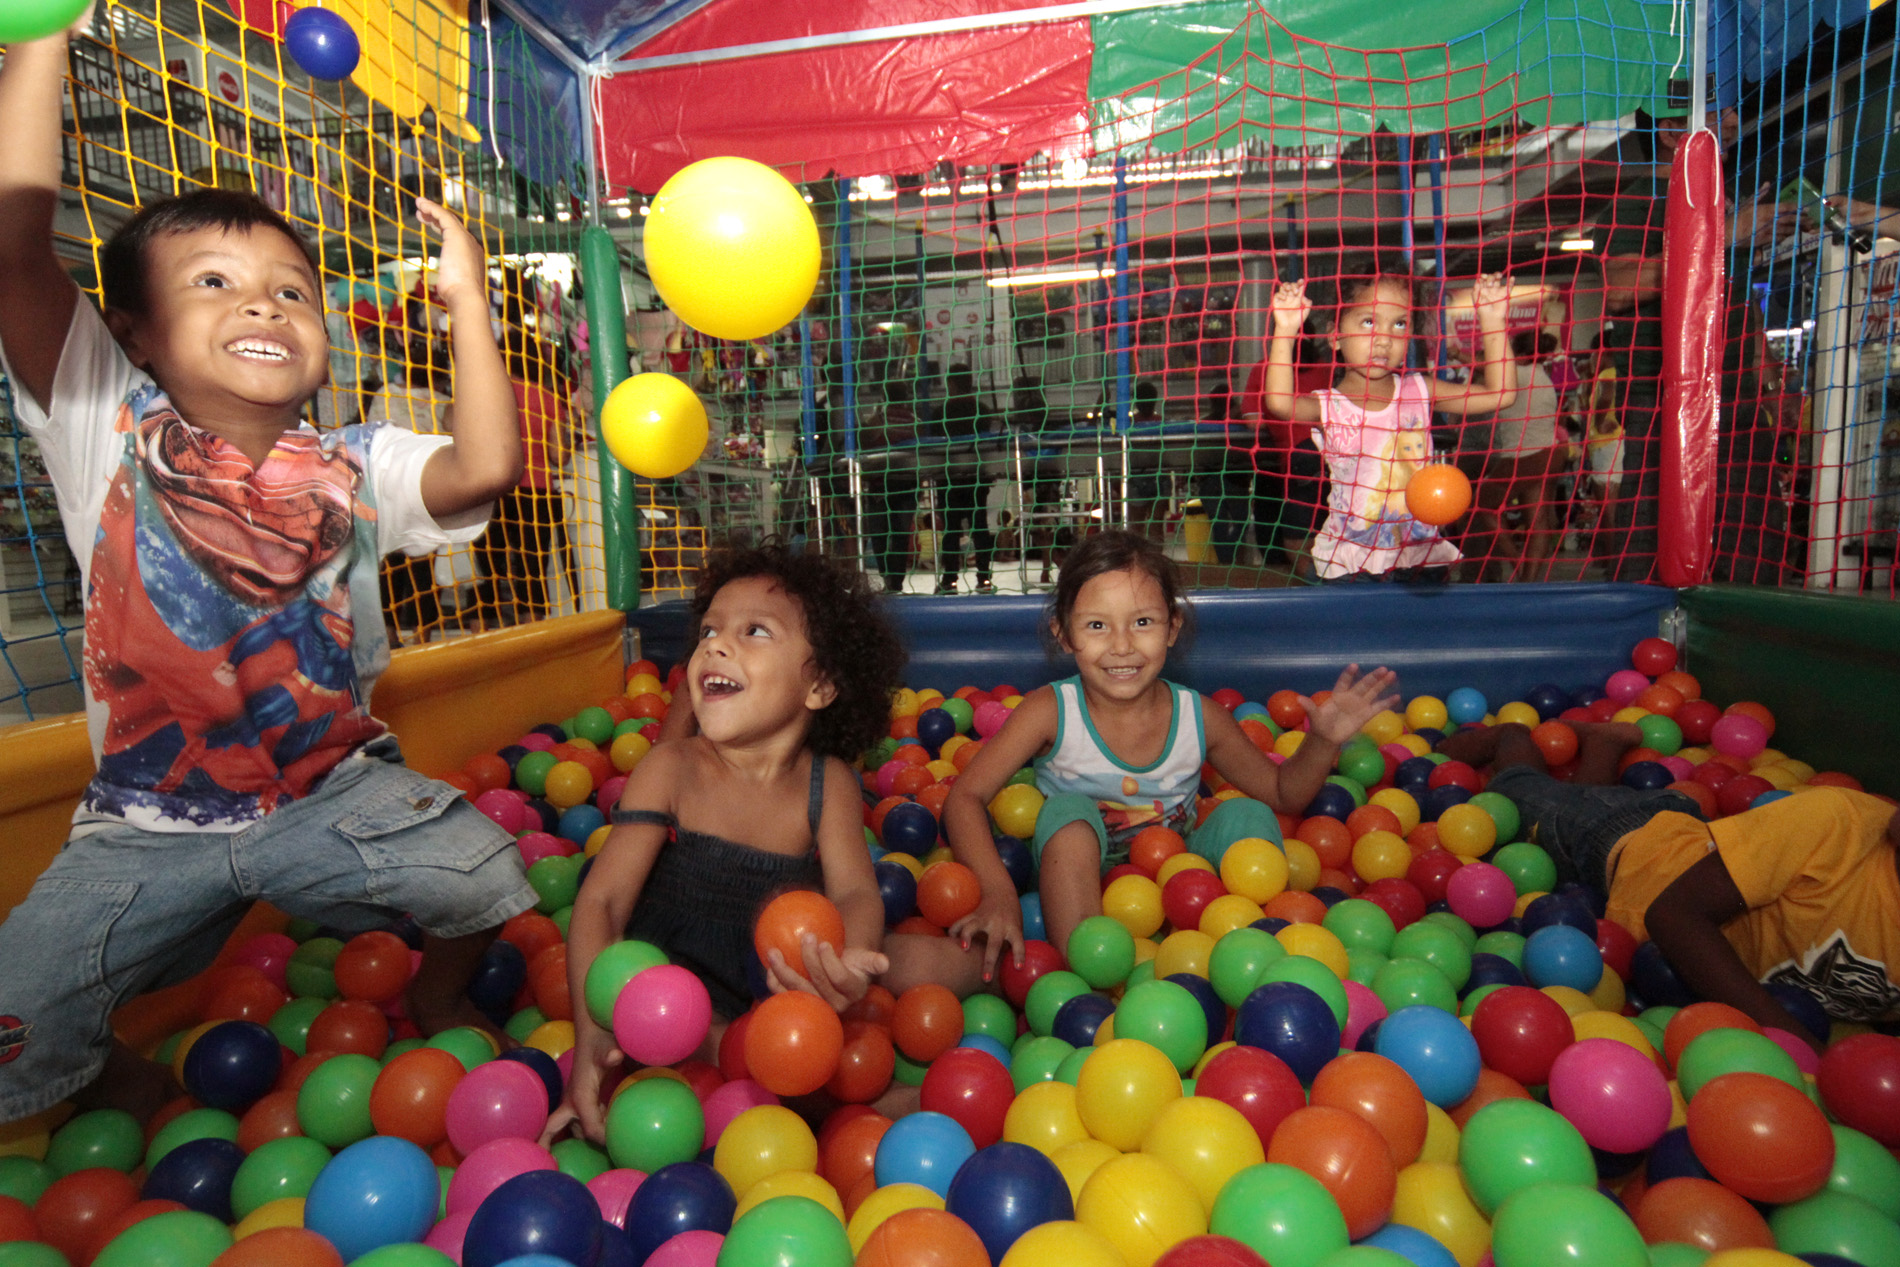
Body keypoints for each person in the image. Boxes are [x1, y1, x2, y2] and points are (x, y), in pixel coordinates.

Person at [0, 21, 534, 1126]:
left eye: (293, 291)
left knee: (490, 878)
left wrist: (473, 308)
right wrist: (42, 38)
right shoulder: (101, 424)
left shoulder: (354, 464)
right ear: (135, 334)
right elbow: (12, 250)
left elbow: (486, 465)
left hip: (328, 796)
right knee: (11, 1027)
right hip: (146, 821)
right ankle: (131, 1092)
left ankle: (435, 995)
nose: (262, 304)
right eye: (214, 282)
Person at [887, 529, 1399, 989]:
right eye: (1096, 626)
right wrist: (998, 892)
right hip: (1077, 874)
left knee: (1249, 813)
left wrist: (1323, 740)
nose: (1122, 646)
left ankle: (1252, 963)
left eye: (1143, 621)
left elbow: (1285, 791)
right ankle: (1084, 971)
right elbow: (965, 798)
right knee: (1066, 811)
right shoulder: (1050, 711)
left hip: (1178, 869)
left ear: (1172, 627)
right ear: (1064, 634)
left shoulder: (1198, 716)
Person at [560, 544, 907, 1141]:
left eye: (754, 631)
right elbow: (601, 904)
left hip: (773, 982)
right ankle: (827, 1113)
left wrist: (844, 962)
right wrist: (592, 1025)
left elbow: (855, 892)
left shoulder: (829, 784)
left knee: (928, 965)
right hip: (674, 990)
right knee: (733, 1072)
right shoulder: (672, 768)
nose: (716, 645)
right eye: (709, 631)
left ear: (819, 684)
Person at [1437, 720, 1900, 1048]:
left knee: (1575, 806)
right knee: (1516, 794)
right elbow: (1673, 914)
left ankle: (1603, 744)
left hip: (1671, 838)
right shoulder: (1840, 824)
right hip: (1630, 843)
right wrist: (1791, 1041)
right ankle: (1513, 735)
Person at [1262, 257, 1516, 582]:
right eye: (1369, 322)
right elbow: (1279, 402)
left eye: (1399, 324)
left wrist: (1493, 319)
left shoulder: (1418, 389)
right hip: (1350, 563)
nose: (1384, 338)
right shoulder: (1332, 405)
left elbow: (1501, 393)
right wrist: (1285, 329)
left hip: (1417, 557)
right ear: (1335, 336)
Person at [473, 340, 580, 625]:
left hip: (491, 488)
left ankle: (480, 641)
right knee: (532, 569)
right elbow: (560, 456)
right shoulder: (546, 398)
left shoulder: (486, 393)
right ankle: (533, 642)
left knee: (488, 570)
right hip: (536, 491)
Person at [1465, 331, 1567, 582]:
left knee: (1481, 506)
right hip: (1552, 454)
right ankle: (1528, 579)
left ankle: (1519, 564)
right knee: (1538, 520)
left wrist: (1458, 354)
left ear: (1519, 355)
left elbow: (1484, 367)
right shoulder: (1543, 377)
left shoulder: (1517, 375)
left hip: (1525, 456)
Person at [935, 364, 997, 594]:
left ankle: (949, 579)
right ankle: (984, 577)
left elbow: (933, 441)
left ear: (951, 384)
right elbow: (988, 444)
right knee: (979, 527)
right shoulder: (981, 409)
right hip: (975, 477)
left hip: (949, 476)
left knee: (951, 531)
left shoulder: (941, 412)